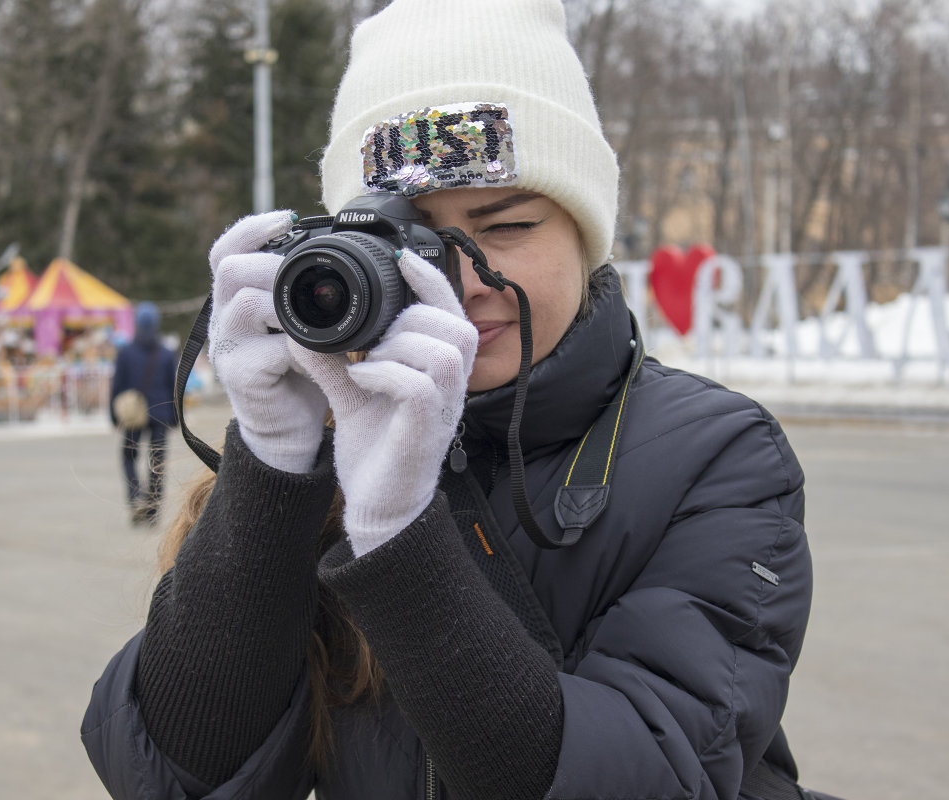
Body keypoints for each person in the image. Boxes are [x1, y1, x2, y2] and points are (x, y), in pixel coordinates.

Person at [83, 2, 826, 799]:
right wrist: (269, 463)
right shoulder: (319, 454)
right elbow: (169, 775)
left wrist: (400, 533)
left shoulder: (716, 456)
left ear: (585, 231)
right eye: (410, 241)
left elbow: (649, 774)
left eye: (502, 226)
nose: (460, 282)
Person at [109, 302, 178, 526]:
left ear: (136, 324)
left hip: (133, 415)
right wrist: (176, 418)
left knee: (128, 457)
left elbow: (117, 387)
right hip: (161, 414)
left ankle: (135, 497)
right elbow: (174, 388)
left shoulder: (125, 353)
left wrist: (113, 416)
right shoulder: (167, 354)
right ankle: (153, 509)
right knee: (156, 462)